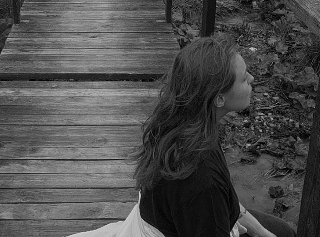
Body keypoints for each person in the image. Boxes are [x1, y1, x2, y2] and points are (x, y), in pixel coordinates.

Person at [70, 35, 296, 237]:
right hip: (188, 220)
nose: (252, 79)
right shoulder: (201, 179)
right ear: (218, 99)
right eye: (244, 78)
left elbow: (225, 195)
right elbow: (209, 200)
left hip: (168, 219)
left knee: (281, 231)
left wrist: (261, 231)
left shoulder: (181, 121)